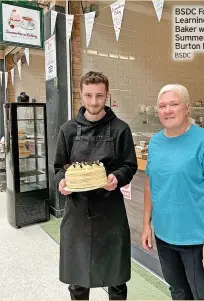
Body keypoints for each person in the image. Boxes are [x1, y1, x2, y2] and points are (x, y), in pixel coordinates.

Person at [142, 84, 204, 300]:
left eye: (174, 104)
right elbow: (150, 184)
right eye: (162, 106)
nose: (167, 110)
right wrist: (146, 223)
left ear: (187, 108)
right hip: (165, 237)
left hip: (199, 239)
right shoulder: (155, 143)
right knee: (179, 293)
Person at [54, 71, 138, 300]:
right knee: (78, 281)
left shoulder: (120, 129)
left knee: (116, 279)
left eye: (99, 96)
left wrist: (117, 178)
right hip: (78, 213)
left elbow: (129, 166)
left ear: (107, 96)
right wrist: (62, 181)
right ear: (81, 94)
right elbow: (59, 168)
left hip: (110, 212)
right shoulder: (68, 130)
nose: (94, 102)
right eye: (89, 95)